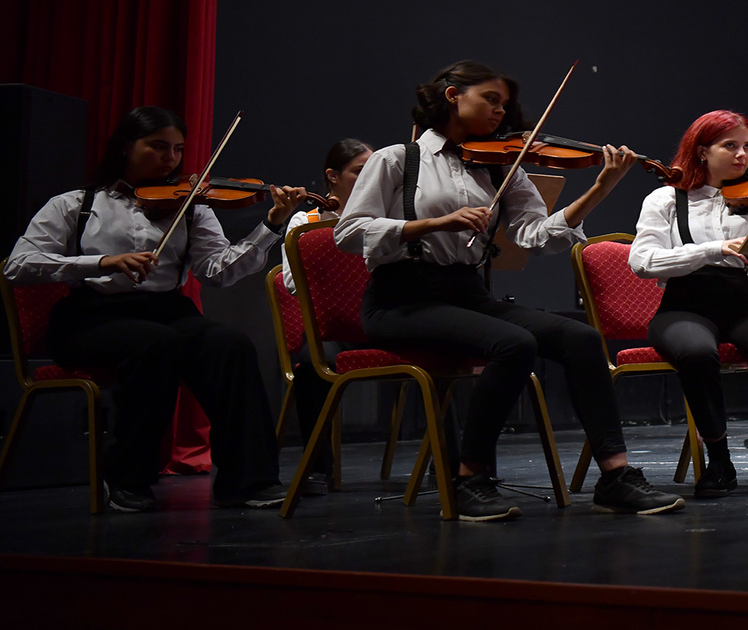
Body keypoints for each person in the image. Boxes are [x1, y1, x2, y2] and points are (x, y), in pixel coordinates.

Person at [334, 60, 685, 520]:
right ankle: (469, 480)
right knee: (513, 344)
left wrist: (600, 188)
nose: (501, 111)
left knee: (581, 338)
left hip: (466, 294)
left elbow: (536, 236)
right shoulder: (398, 159)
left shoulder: (502, 166)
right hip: (400, 300)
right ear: (453, 96)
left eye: (504, 104)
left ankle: (615, 478)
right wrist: (434, 224)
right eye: (491, 99)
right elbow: (349, 232)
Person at [4, 106, 300, 512]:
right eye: (158, 147)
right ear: (127, 146)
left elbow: (218, 271)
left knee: (229, 344)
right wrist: (101, 263)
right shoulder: (75, 204)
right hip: (92, 316)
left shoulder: (192, 206)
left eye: (177, 149)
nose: (170, 159)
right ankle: (127, 478)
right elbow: (19, 265)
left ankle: (248, 480)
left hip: (166, 311)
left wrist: (271, 226)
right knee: (153, 345)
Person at [629, 110, 748, 498]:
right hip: (684, 305)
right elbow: (641, 261)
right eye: (730, 145)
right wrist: (713, 249)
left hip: (744, 305)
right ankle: (718, 460)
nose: (742, 155)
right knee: (697, 353)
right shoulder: (667, 198)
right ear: (701, 151)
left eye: (747, 146)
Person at [281, 137, 373, 495]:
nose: (368, 179)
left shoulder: (382, 217)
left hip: (377, 320)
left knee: (437, 349)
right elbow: (292, 283)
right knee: (311, 365)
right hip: (331, 326)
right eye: (359, 172)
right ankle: (317, 467)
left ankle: (449, 464)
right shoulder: (307, 221)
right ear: (332, 176)